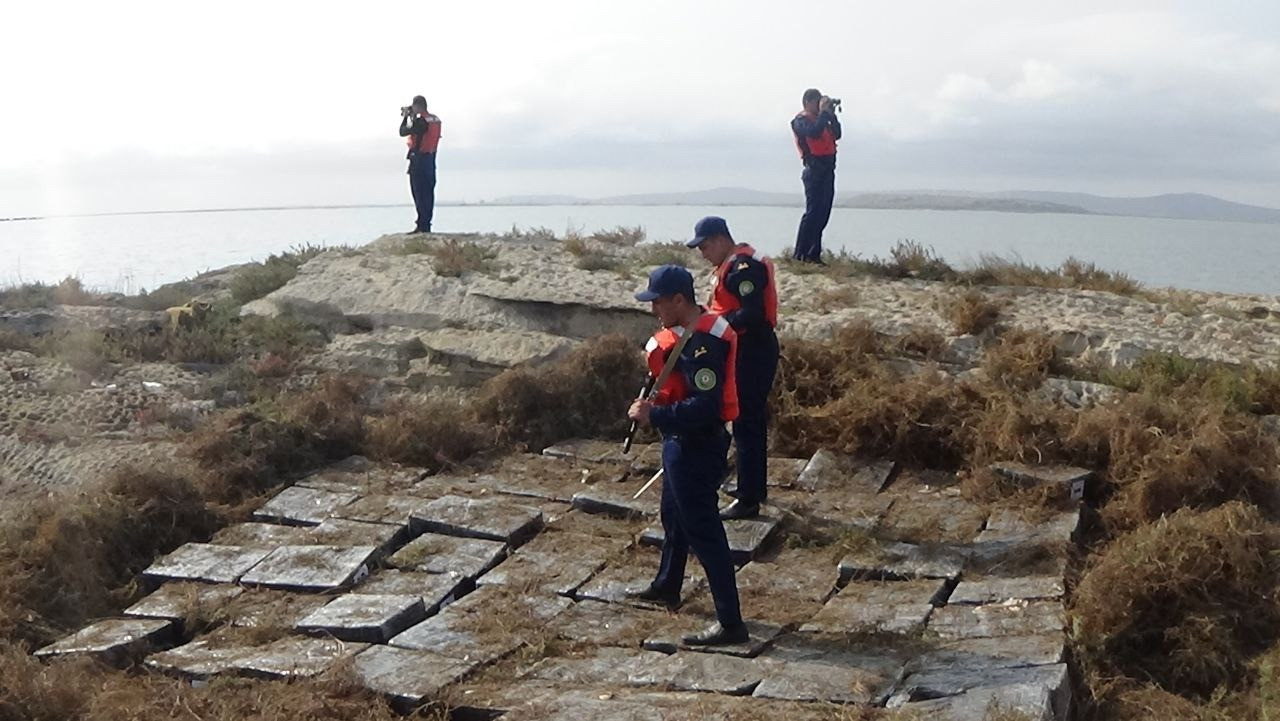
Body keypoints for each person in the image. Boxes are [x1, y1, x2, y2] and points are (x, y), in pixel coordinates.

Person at [626, 265, 749, 646]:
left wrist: (654, 415)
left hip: (696, 443)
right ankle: (668, 584)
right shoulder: (689, 332)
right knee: (673, 516)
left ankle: (730, 623)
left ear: (680, 300)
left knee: (704, 531)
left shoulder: (703, 343)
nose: (654, 311)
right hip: (680, 441)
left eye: (658, 303)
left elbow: (705, 406)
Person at [686, 216, 779, 520]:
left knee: (746, 422)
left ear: (721, 239)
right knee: (743, 421)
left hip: (753, 350)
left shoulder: (743, 267)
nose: (702, 253)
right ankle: (750, 485)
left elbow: (751, 314)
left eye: (705, 246)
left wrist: (713, 325)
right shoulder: (730, 264)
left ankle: (748, 499)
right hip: (742, 349)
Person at [791, 88, 841, 263]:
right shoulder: (800, 121)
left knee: (823, 213)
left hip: (828, 170)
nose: (820, 105)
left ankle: (813, 254)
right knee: (812, 213)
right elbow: (814, 132)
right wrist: (824, 114)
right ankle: (800, 254)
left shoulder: (823, 119)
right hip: (814, 170)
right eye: (817, 101)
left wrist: (831, 115)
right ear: (807, 102)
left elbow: (838, 133)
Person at [399, 95, 442, 234]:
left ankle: (421, 225)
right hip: (431, 158)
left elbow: (403, 131)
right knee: (428, 193)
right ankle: (426, 224)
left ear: (418, 106)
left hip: (419, 160)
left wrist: (406, 117)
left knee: (418, 192)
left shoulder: (421, 121)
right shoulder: (434, 120)